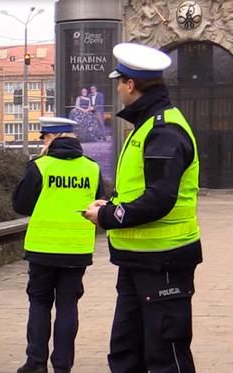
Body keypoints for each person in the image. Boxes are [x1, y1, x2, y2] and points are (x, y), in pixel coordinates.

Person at [82, 43, 201, 373]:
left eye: (119, 82)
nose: (118, 88)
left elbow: (160, 198)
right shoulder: (147, 125)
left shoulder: (163, 130)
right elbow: (140, 190)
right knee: (125, 352)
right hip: (138, 260)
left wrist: (107, 215)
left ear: (130, 84)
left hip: (164, 260)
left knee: (165, 357)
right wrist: (113, 203)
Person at [12, 117, 105, 373]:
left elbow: (20, 205)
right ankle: (63, 366)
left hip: (43, 248)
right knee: (67, 306)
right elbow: (100, 203)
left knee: (40, 304)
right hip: (77, 248)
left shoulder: (40, 166)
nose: (41, 142)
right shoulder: (92, 168)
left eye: (44, 138)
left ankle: (36, 363)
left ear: (53, 138)